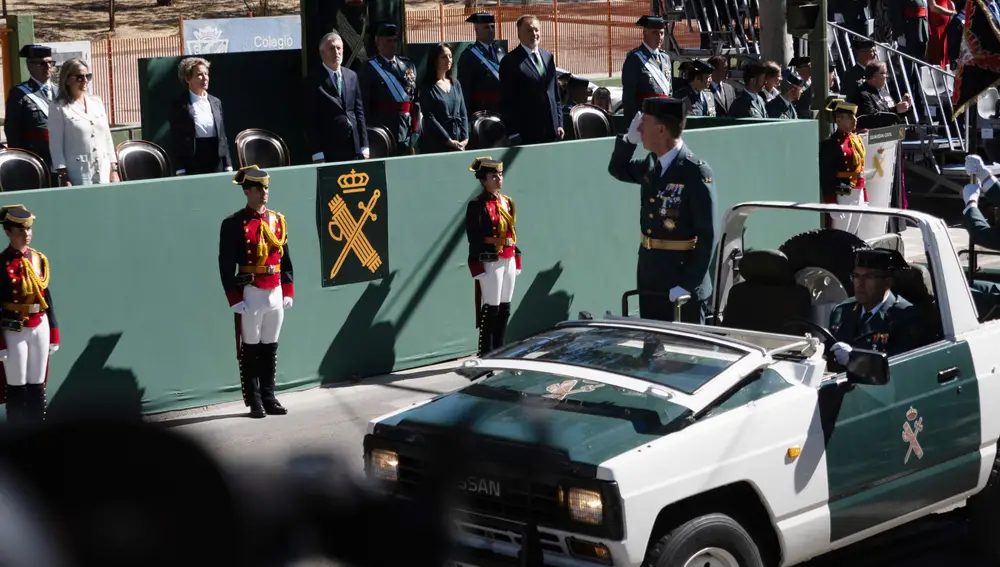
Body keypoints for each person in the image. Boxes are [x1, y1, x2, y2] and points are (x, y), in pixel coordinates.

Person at [607, 98, 717, 323]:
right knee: (653, 348)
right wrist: (628, 141)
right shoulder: (652, 164)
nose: (639, 128)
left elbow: (707, 236)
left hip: (681, 278)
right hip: (650, 275)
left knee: (687, 351)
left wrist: (687, 285)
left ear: (661, 130)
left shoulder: (694, 171)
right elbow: (617, 169)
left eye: (644, 122)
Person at [218, 166, 293, 419]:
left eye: (267, 187)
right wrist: (234, 298)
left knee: (270, 347)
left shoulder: (277, 221)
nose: (265, 192)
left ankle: (269, 396)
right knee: (250, 349)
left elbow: (286, 259)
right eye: (259, 188)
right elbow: (225, 264)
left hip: (274, 290)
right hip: (251, 291)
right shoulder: (233, 223)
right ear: (247, 191)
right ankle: (254, 399)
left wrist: (288, 289)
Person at [0, 206, 59, 424]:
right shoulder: (2, 263)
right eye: (20, 231)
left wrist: (54, 332)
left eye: (29, 229)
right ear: (8, 233)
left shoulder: (39, 259)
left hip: (39, 323)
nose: (26, 235)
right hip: (14, 327)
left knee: (37, 383)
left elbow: (46, 297)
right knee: (17, 384)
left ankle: (37, 431)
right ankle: (17, 435)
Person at [828, 248, 926, 368]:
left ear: (888, 283)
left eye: (869, 277)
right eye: (856, 276)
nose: (860, 284)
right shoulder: (842, 310)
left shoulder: (905, 317)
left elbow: (899, 368)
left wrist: (854, 360)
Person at [465, 157, 521, 356]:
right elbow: (473, 237)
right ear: (483, 180)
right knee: (492, 307)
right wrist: (476, 267)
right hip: (491, 259)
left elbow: (511, 232)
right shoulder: (477, 205)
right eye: (493, 176)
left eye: (500, 174)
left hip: (509, 257)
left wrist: (517, 256)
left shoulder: (507, 202)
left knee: (505, 307)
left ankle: (500, 349)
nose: (499, 179)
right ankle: (486, 353)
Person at [48, 58, 119, 186]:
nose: (85, 80)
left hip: (104, 171)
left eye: (88, 76)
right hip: (78, 173)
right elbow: (56, 145)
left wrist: (114, 168)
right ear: (68, 79)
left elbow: (107, 137)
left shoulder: (96, 102)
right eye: (80, 77)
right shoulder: (58, 107)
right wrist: (63, 174)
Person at [499, 15, 564, 145]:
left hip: (551, 130)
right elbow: (507, 101)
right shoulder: (510, 61)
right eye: (529, 30)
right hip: (527, 132)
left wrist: (559, 123)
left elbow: (555, 94)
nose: (534, 33)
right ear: (519, 34)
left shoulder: (547, 57)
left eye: (536, 30)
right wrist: (513, 132)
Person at [306, 31, 369, 163]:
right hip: (329, 149)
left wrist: (364, 145)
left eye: (339, 48)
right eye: (331, 48)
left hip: (353, 147)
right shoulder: (313, 80)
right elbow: (311, 119)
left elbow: (359, 112)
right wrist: (317, 152)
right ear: (322, 53)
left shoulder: (352, 76)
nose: (336, 52)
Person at [359, 22, 420, 155]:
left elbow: (415, 101)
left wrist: (416, 128)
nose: (392, 45)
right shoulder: (369, 68)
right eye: (388, 41)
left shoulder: (408, 65)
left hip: (406, 130)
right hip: (382, 130)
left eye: (394, 41)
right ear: (377, 42)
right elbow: (364, 105)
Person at [169, 57, 233, 176]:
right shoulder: (180, 104)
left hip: (216, 161)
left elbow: (222, 135)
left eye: (206, 74)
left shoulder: (216, 102)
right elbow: (176, 139)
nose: (205, 78)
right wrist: (180, 169)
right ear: (188, 79)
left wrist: (227, 164)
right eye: (199, 75)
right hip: (193, 163)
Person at [4, 44, 56, 171]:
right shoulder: (19, 93)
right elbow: (13, 132)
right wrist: (21, 162)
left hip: (61, 159)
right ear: (30, 66)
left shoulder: (60, 91)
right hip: (36, 160)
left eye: (51, 63)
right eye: (43, 64)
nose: (48, 67)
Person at [819, 99, 867, 232]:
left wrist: (864, 194)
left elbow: (861, 167)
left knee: (853, 233)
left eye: (854, 116)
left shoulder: (856, 139)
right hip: (843, 192)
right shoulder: (830, 144)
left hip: (858, 191)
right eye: (850, 117)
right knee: (840, 234)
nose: (854, 120)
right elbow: (826, 176)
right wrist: (831, 203)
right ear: (838, 120)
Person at [419, 43, 470, 154]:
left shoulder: (455, 84)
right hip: (438, 144)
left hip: (459, 143)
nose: (448, 60)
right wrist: (448, 140)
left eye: (450, 56)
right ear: (435, 60)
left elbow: (463, 113)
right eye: (444, 57)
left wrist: (465, 139)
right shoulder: (427, 87)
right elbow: (429, 118)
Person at [621, 15, 672, 125]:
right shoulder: (635, 58)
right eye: (655, 33)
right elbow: (629, 98)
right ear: (645, 33)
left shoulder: (665, 58)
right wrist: (634, 124)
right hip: (645, 121)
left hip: (663, 120)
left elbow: (669, 92)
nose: (659, 37)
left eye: (661, 33)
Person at [457, 12, 505, 116]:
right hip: (482, 111)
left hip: (502, 110)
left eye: (493, 27)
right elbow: (464, 89)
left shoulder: (500, 50)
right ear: (477, 30)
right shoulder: (469, 55)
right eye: (486, 28)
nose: (491, 30)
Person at [848, 61, 912, 118]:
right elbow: (871, 117)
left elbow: (893, 115)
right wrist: (896, 109)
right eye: (884, 73)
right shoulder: (863, 94)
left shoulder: (883, 91)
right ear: (874, 77)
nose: (887, 76)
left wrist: (905, 107)